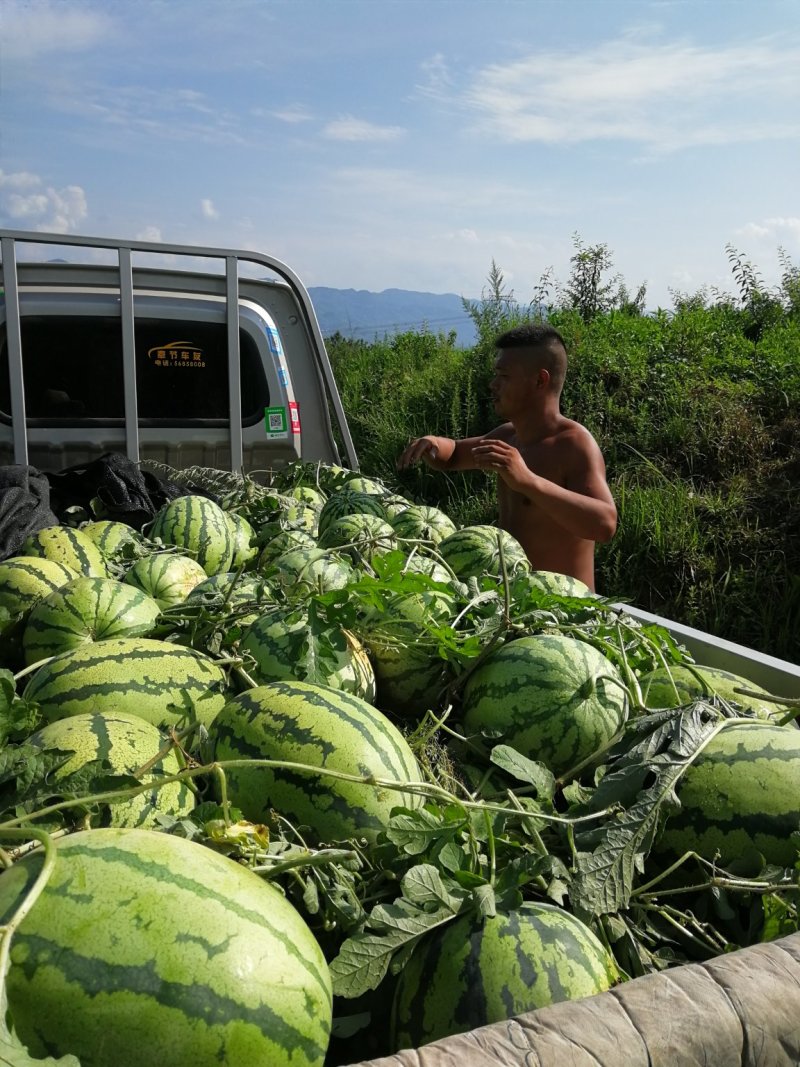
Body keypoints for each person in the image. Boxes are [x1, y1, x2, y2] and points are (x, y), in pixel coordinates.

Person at [396, 323, 617, 592]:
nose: (493, 385)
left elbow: (604, 524)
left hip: (566, 608)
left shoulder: (574, 444)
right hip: (516, 604)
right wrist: (432, 444)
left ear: (540, 380)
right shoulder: (509, 436)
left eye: (504, 376)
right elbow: (453, 455)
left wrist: (527, 481)